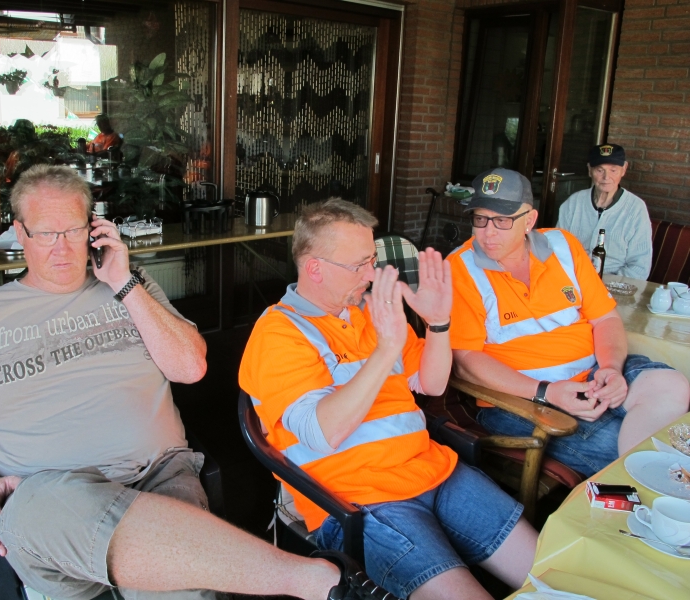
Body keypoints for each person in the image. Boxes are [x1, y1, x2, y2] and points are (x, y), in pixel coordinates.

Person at [0, 166, 397, 600]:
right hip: (45, 504)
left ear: (94, 227)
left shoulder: (132, 284)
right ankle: (313, 581)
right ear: (19, 232)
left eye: (74, 230)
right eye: (45, 233)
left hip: (157, 478)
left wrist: (124, 285)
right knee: (42, 502)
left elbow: (190, 367)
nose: (61, 246)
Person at [240, 199, 538, 600]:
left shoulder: (370, 312)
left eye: (372, 260)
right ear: (315, 269)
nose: (371, 274)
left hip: (435, 471)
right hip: (361, 501)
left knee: (553, 572)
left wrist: (438, 322)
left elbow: (432, 383)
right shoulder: (279, 334)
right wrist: (386, 349)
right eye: (358, 265)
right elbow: (323, 432)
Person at [449, 168, 689, 477]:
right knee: (632, 447)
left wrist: (611, 369)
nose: (488, 232)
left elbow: (605, 317)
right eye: (480, 219)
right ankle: (646, 488)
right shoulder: (460, 268)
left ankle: (652, 482)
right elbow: (465, 361)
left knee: (671, 386)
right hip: (522, 396)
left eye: (502, 220)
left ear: (529, 220)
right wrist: (547, 392)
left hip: (593, 372)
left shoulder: (562, 246)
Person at [556, 143, 652, 279]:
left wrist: (607, 285)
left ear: (624, 169)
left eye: (613, 170)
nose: (606, 177)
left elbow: (640, 267)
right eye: (600, 170)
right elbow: (557, 248)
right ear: (590, 170)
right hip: (573, 279)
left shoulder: (635, 209)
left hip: (614, 283)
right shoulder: (573, 203)